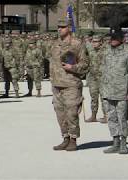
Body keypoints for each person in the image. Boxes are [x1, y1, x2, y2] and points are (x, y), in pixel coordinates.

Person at [51, 19, 89, 151]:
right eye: (58, 27)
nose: (59, 29)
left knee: (72, 113)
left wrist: (72, 67)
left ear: (69, 28)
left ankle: (73, 139)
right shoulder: (55, 44)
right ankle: (65, 138)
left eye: (62, 27)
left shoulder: (77, 44)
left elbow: (85, 65)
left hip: (71, 84)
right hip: (57, 84)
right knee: (60, 113)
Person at [100, 28, 128, 154]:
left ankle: (124, 143)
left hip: (122, 92)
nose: (112, 40)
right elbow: (102, 70)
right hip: (107, 91)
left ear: (121, 39)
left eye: (115, 38)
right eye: (111, 38)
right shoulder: (106, 52)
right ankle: (115, 142)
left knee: (122, 118)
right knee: (111, 117)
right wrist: (102, 89)